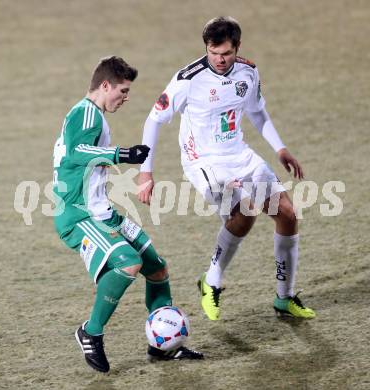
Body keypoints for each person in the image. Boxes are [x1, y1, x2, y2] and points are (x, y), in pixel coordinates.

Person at [138, 17, 316, 321]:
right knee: (244, 212)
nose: (220, 60)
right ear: (206, 47)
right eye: (214, 52)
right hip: (203, 161)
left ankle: (284, 298)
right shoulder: (188, 79)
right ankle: (211, 282)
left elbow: (258, 113)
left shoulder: (248, 72)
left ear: (237, 48)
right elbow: (154, 120)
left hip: (239, 155)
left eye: (226, 53)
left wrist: (281, 148)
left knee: (288, 214)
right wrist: (146, 171)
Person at [52, 56, 203, 373]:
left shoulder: (93, 116)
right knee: (129, 263)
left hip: (102, 212)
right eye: (122, 90)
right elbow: (77, 154)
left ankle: (162, 347)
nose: (126, 97)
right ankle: (90, 332)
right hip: (79, 215)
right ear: (104, 85)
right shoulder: (86, 113)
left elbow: (85, 160)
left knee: (156, 269)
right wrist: (123, 153)